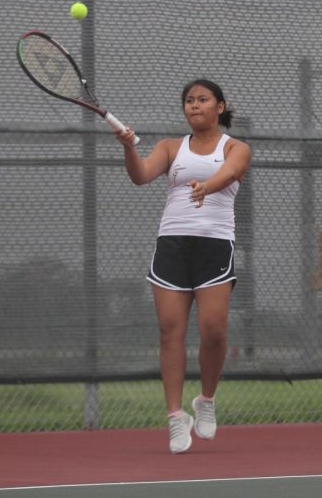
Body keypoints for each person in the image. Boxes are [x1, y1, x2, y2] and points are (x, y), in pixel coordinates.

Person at [115, 79, 251, 454]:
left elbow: (229, 174)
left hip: (214, 247)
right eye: (189, 101)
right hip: (172, 247)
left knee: (214, 331)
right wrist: (129, 149)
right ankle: (176, 418)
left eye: (203, 100)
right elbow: (141, 176)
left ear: (219, 107)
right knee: (169, 330)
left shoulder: (236, 148)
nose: (195, 106)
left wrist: (206, 187)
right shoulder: (170, 148)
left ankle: (205, 401)